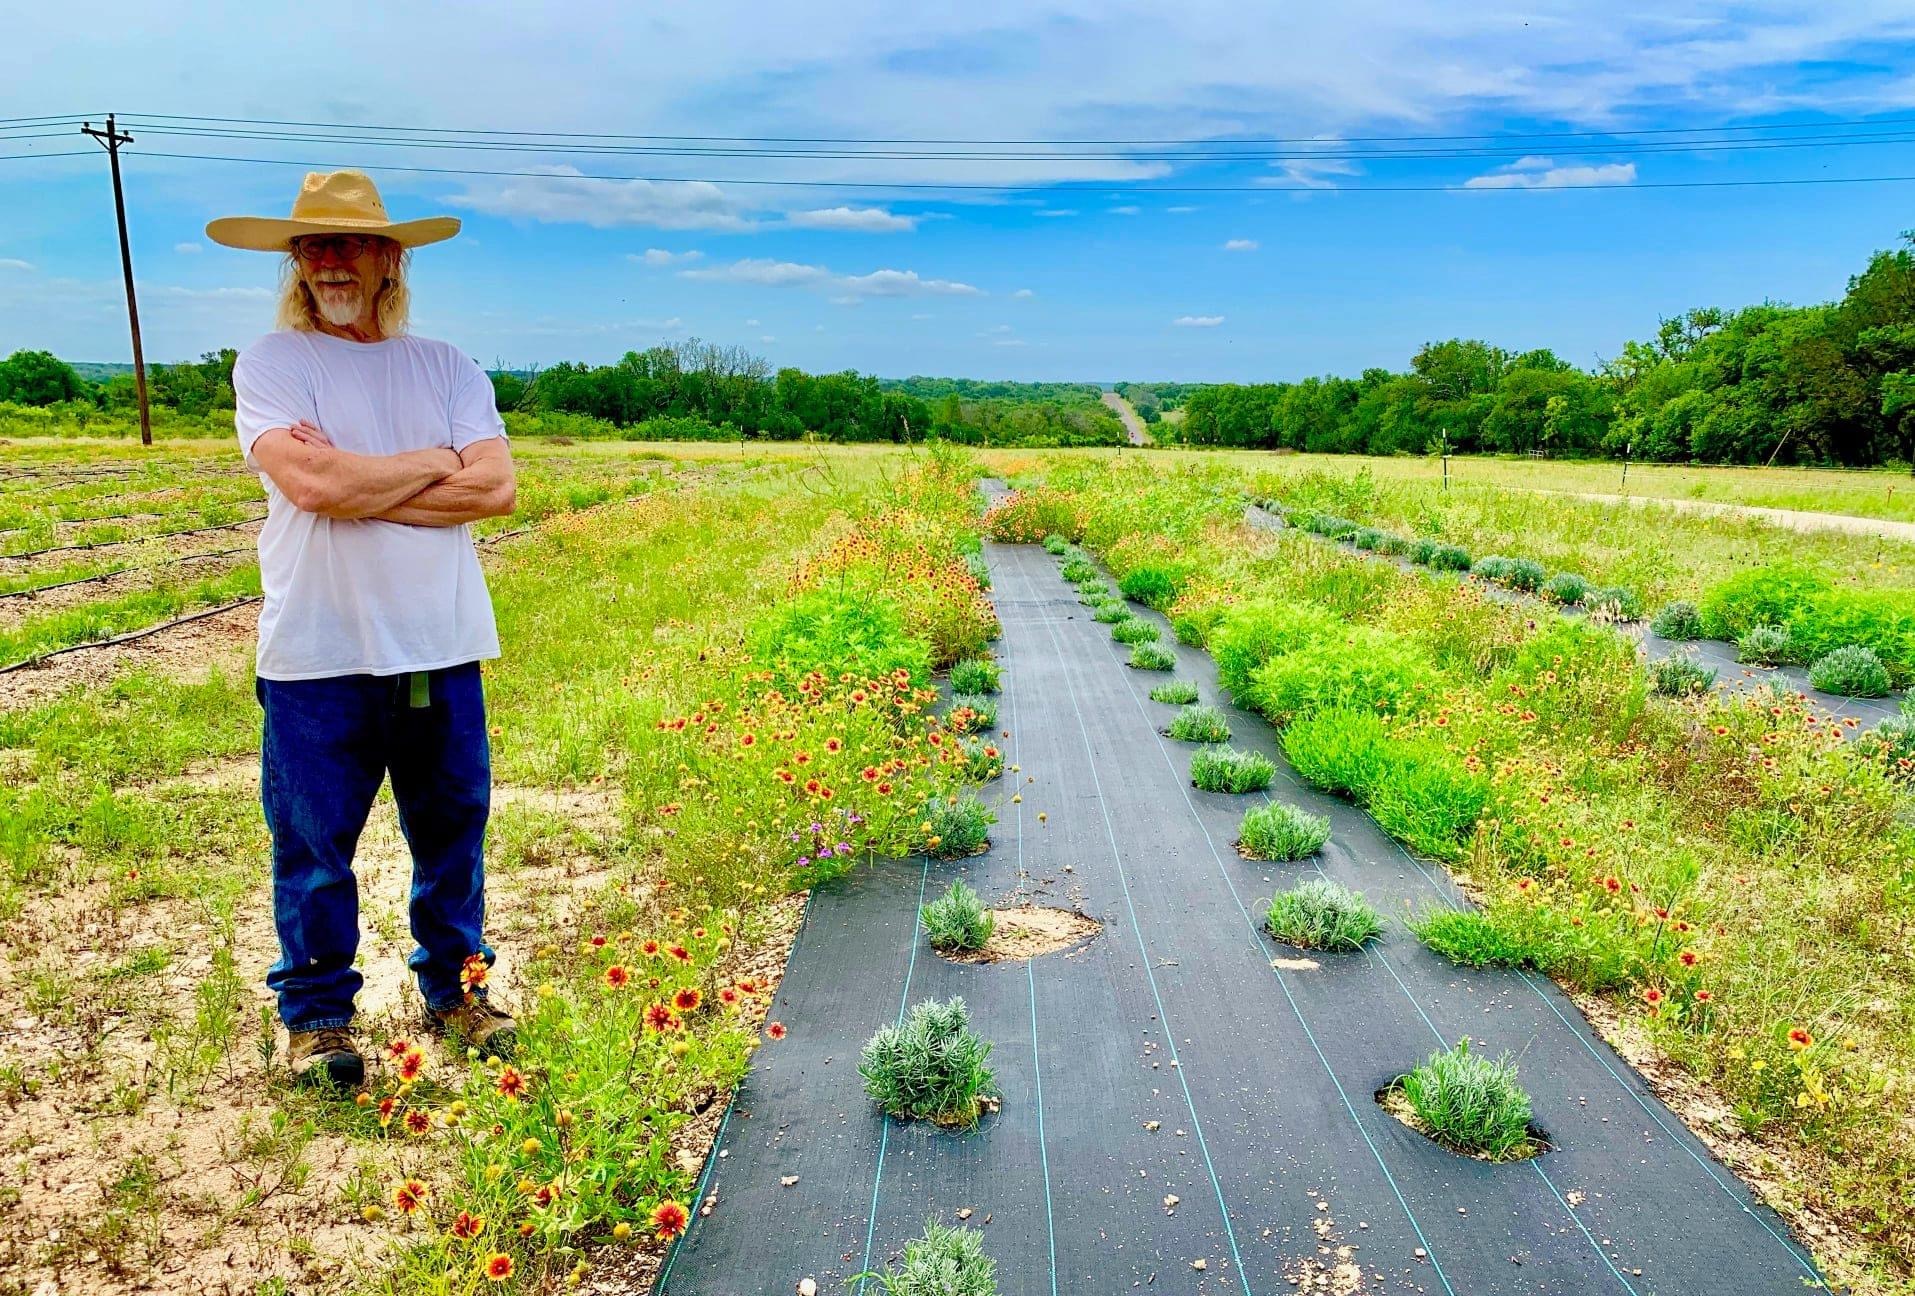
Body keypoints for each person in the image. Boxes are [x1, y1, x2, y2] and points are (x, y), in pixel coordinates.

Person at [207, 170, 518, 1090]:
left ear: (390, 257)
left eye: (348, 243)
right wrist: (431, 465)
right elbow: (314, 489)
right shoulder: (274, 363)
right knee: (312, 847)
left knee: (453, 833)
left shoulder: (448, 367)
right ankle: (318, 1019)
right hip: (318, 652)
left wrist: (361, 479)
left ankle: (456, 990)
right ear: (295, 263)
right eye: (312, 245)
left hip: (439, 647)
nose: (329, 260)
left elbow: (495, 490)